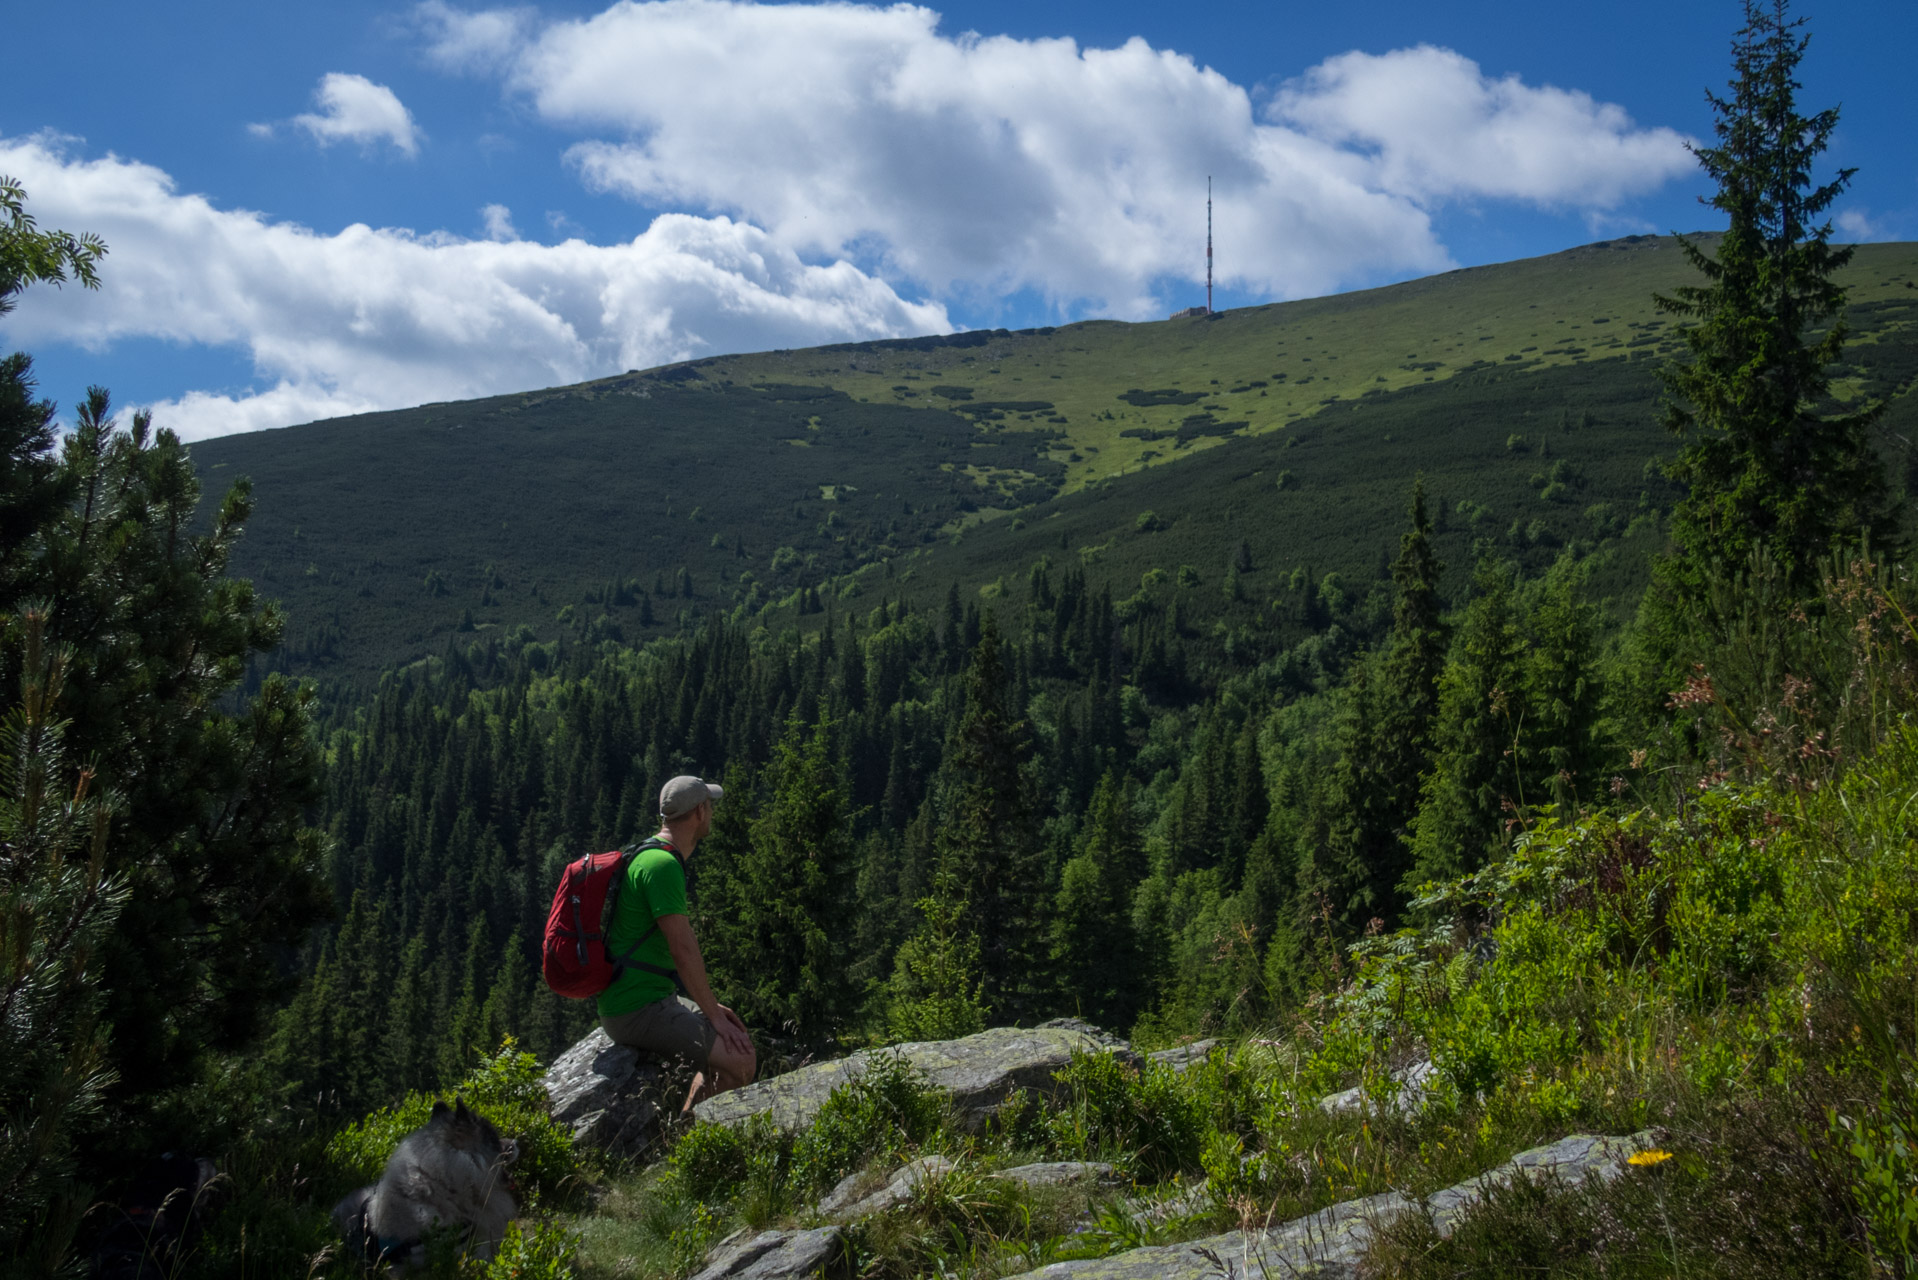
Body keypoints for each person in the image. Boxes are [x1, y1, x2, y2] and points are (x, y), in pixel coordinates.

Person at [597, 775, 756, 1109]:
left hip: (640, 998)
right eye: (709, 806)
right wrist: (710, 1013)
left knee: (734, 1037)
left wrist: (711, 1008)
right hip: (637, 1009)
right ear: (699, 812)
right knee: (741, 1063)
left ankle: (687, 1126)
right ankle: (689, 1142)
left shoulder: (647, 853)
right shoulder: (663, 866)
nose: (711, 813)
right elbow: (682, 951)